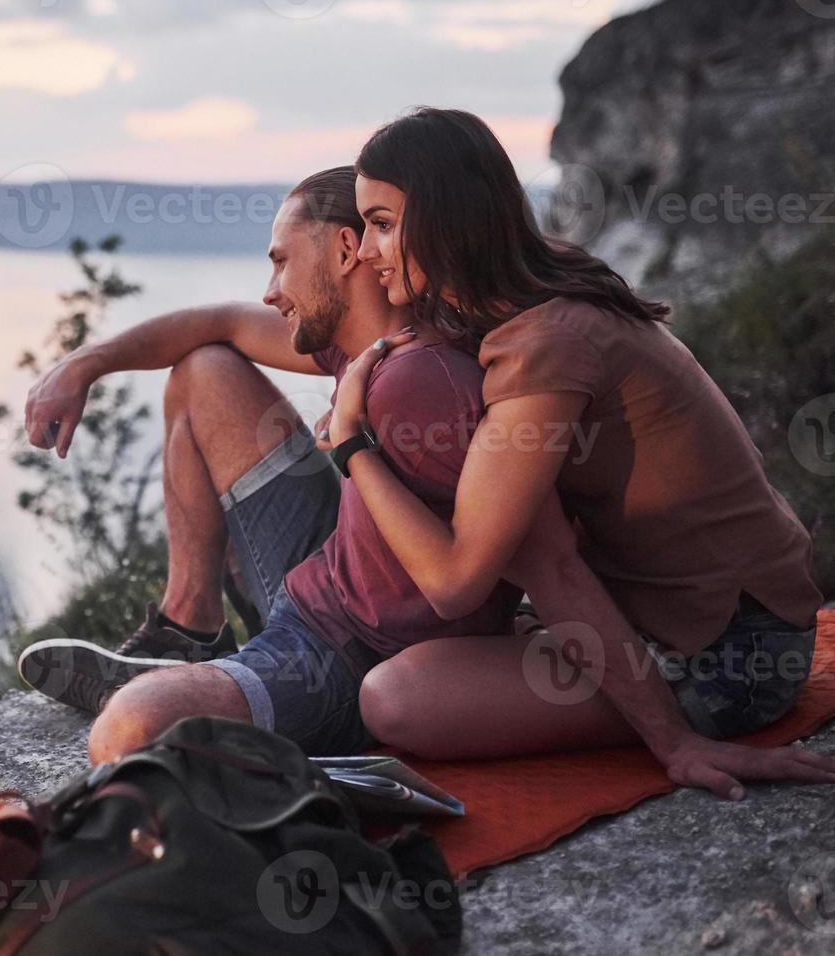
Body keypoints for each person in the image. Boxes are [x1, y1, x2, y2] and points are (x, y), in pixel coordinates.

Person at [328, 107, 835, 799]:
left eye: (383, 225)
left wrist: (350, 443)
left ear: (447, 219)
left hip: (737, 654)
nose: (365, 251)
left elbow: (458, 581)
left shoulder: (544, 345)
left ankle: (663, 711)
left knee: (397, 697)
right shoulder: (538, 281)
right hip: (704, 618)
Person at [16, 166, 521, 761]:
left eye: (282, 261)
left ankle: (217, 687)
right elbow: (220, 322)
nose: (271, 289)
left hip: (340, 656)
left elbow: (465, 578)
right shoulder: (366, 346)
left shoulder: (415, 379)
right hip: (325, 581)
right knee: (204, 367)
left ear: (344, 249)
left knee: (132, 727)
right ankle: (188, 633)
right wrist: (84, 365)